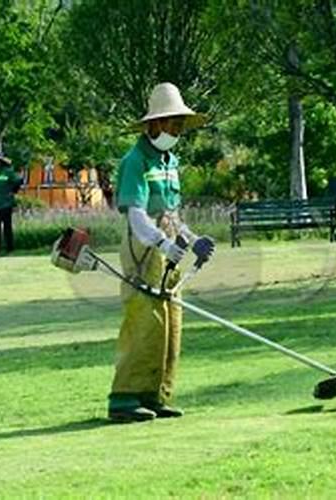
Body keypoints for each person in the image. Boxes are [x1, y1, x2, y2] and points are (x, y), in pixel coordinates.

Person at [108, 82, 215, 423]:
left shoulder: (170, 160)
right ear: (153, 124)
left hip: (168, 242)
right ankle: (125, 397)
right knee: (145, 318)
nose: (177, 130)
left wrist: (191, 238)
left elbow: (172, 214)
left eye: (180, 125)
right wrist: (163, 243)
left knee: (172, 319)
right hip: (143, 246)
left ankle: (156, 394)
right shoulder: (135, 160)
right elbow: (137, 215)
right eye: (172, 123)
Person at [0, 151, 23, 256]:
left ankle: (10, 249)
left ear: (2, 162)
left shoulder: (8, 172)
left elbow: (19, 180)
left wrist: (13, 190)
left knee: (7, 228)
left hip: (6, 204)